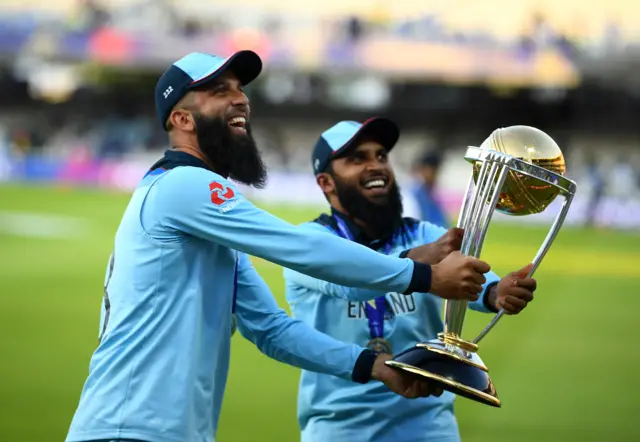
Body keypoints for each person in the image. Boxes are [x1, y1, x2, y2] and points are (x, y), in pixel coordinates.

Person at [65, 51, 492, 442]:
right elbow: (295, 245)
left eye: (240, 89)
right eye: (219, 91)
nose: (240, 99)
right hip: (128, 429)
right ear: (181, 120)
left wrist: (375, 367)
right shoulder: (183, 185)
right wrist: (422, 276)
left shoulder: (201, 219)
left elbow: (271, 329)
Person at [283, 118, 538, 442]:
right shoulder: (308, 241)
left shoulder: (423, 233)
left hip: (428, 424)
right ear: (327, 183)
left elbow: (471, 275)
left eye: (381, 156)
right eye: (357, 158)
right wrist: (418, 260)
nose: (376, 166)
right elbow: (350, 280)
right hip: (338, 427)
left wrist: (495, 292)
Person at [412, 149, 449, 228]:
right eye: (432, 170)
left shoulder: (431, 195)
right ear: (422, 169)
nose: (435, 175)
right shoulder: (416, 195)